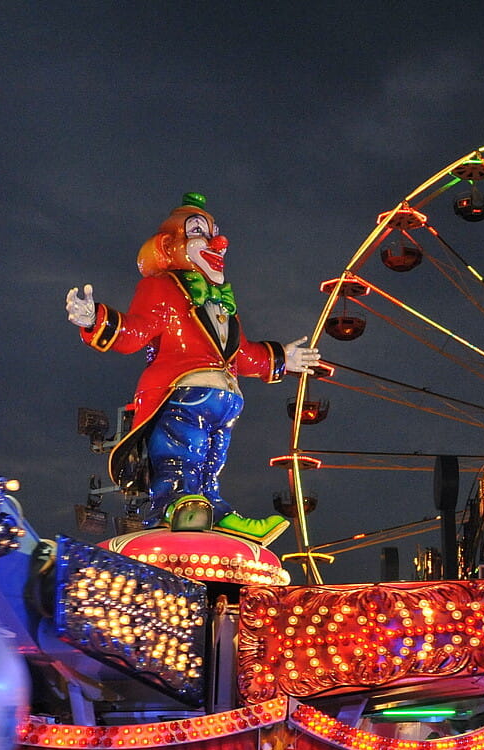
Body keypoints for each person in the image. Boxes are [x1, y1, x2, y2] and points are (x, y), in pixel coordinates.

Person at [65, 193, 320, 543]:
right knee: (178, 457)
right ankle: (172, 506)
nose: (218, 242)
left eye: (216, 233)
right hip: (182, 393)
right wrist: (95, 319)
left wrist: (280, 359)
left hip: (225, 401)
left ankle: (219, 514)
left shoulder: (224, 305)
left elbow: (242, 355)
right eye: (200, 232)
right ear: (170, 245)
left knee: (210, 469)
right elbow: (135, 332)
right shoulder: (161, 288)